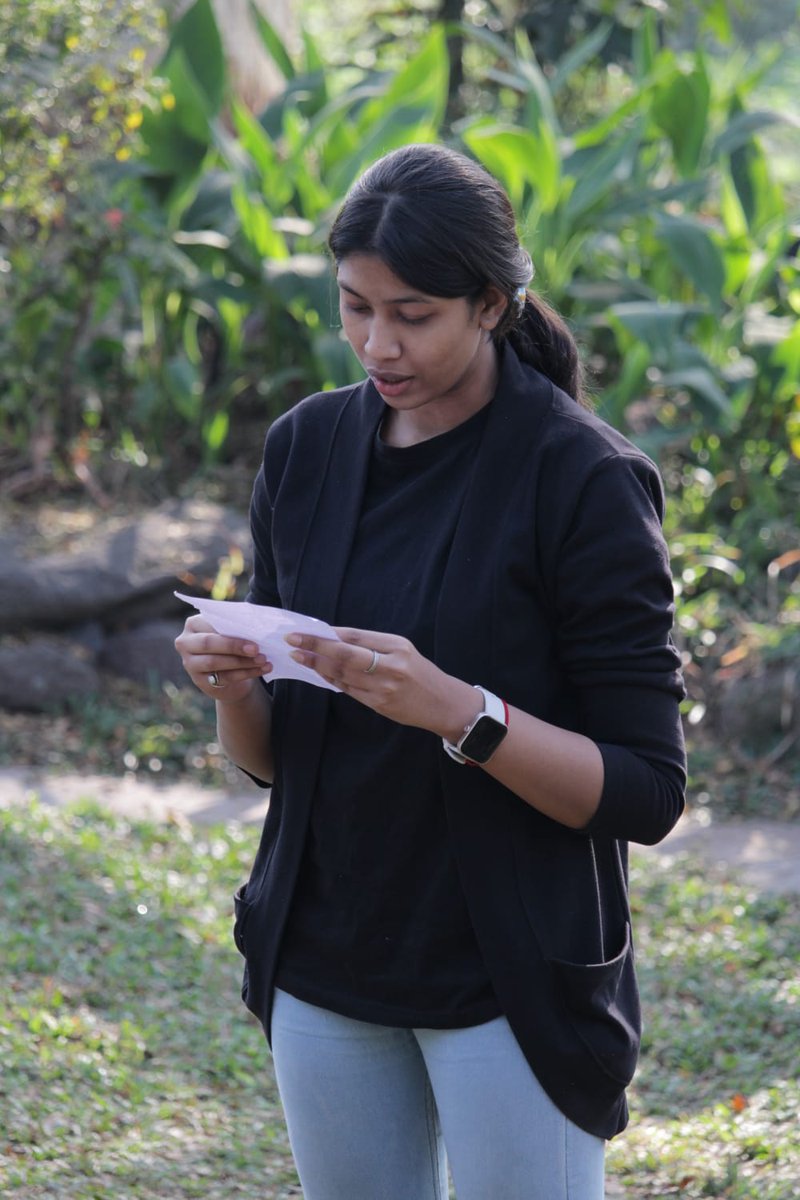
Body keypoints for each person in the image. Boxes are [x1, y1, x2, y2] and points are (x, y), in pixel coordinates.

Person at [175, 143, 686, 1200]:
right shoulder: (305, 448)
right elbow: (275, 763)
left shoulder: (582, 482)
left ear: (491, 302)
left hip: (509, 980)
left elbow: (644, 791)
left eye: (412, 314)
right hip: (323, 964)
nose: (376, 342)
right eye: (354, 307)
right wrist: (234, 691)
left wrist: (462, 712)